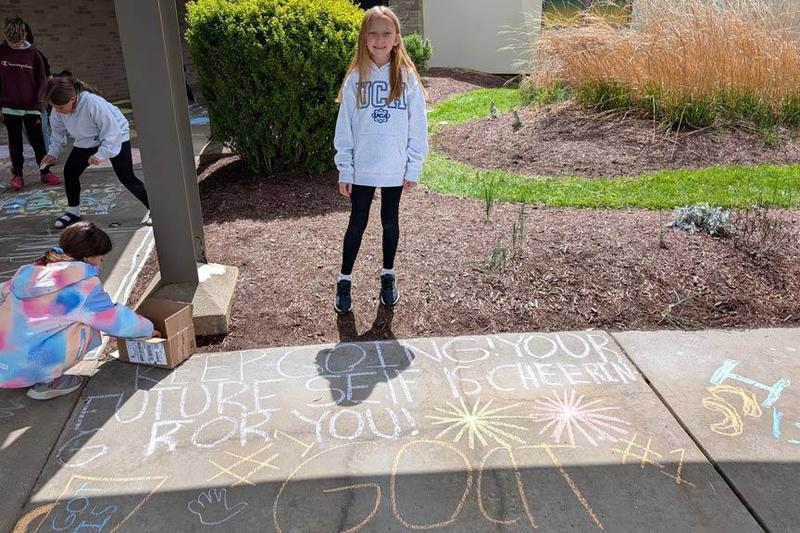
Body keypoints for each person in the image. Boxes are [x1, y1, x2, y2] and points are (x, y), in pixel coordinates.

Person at [333, 6, 428, 314]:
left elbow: (418, 126)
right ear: (364, 38)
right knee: (357, 223)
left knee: (390, 221)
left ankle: (388, 275)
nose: (379, 39)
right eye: (373, 33)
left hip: (393, 168)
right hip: (362, 169)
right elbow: (344, 128)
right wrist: (345, 168)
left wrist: (413, 165)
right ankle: (344, 280)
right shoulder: (355, 79)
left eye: (387, 33)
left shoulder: (407, 78)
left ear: (397, 38)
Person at [0, 222, 159, 400]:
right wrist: (147, 329)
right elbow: (115, 320)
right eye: (101, 258)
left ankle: (23, 371)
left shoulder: (31, 271)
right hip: (30, 365)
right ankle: (49, 381)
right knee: (87, 324)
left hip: (5, 363)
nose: (102, 262)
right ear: (88, 257)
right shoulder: (82, 287)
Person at [40, 77, 149, 229]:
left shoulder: (92, 103)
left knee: (126, 177)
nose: (58, 111)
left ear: (73, 99)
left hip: (117, 136)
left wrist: (102, 154)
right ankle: (73, 212)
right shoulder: (58, 110)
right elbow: (57, 132)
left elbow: (112, 131)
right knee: (70, 172)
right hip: (86, 140)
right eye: (55, 107)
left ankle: (154, 208)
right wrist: (53, 152)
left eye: (61, 107)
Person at [0, 15, 61, 191]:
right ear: (5, 35)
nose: (15, 45)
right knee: (15, 143)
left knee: (38, 141)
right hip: (9, 107)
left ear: (24, 34)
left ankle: (45, 172)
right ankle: (18, 175)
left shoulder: (34, 54)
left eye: (18, 41)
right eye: (12, 42)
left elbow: (43, 79)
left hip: (32, 106)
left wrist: (41, 101)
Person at [24, 21, 53, 151]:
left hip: (37, 103)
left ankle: (48, 157)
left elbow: (49, 78)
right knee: (29, 134)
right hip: (17, 105)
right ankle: (42, 153)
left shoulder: (36, 55)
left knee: (42, 131)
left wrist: (45, 100)